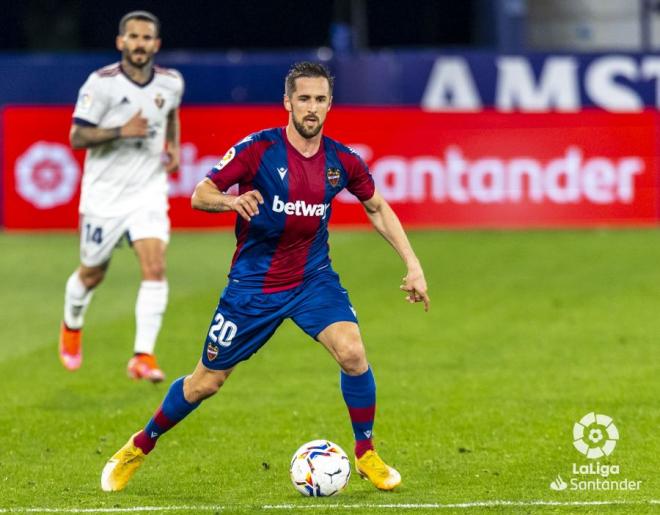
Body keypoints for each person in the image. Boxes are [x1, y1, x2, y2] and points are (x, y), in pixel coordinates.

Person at [101, 62, 429, 492]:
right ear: (288, 102)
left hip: (313, 278)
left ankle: (366, 453)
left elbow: (377, 207)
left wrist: (413, 264)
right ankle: (139, 445)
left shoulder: (342, 160)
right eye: (304, 99)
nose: (312, 108)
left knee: (352, 353)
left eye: (320, 99)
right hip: (253, 288)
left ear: (330, 104)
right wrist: (229, 203)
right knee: (206, 382)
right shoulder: (257, 150)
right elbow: (202, 193)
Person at [58, 10, 183, 382]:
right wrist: (121, 130)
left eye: (147, 38)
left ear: (156, 45)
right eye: (133, 37)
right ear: (120, 42)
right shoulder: (101, 84)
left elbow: (172, 112)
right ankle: (72, 322)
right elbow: (77, 137)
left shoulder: (171, 82)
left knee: (155, 267)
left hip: (148, 190)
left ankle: (143, 356)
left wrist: (173, 145)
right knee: (92, 273)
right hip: (104, 196)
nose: (140, 44)